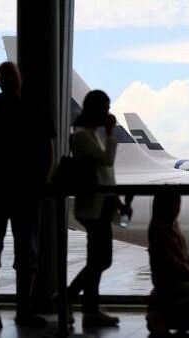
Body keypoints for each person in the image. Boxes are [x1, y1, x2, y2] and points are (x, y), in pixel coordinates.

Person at [0, 62, 55, 328]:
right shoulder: (36, 112)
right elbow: (48, 153)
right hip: (26, 192)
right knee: (26, 253)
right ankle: (23, 309)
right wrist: (41, 182)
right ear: (21, 81)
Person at [66, 89, 120, 328]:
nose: (108, 113)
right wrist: (110, 133)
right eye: (105, 108)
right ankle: (69, 299)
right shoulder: (81, 137)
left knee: (98, 259)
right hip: (93, 207)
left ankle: (89, 309)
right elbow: (106, 161)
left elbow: (103, 170)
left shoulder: (88, 134)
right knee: (100, 260)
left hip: (101, 204)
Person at [146, 191, 189, 337]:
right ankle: (162, 317)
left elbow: (185, 257)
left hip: (179, 276)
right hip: (170, 279)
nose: (178, 208)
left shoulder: (172, 227)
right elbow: (174, 264)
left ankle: (188, 321)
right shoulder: (162, 232)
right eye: (175, 205)